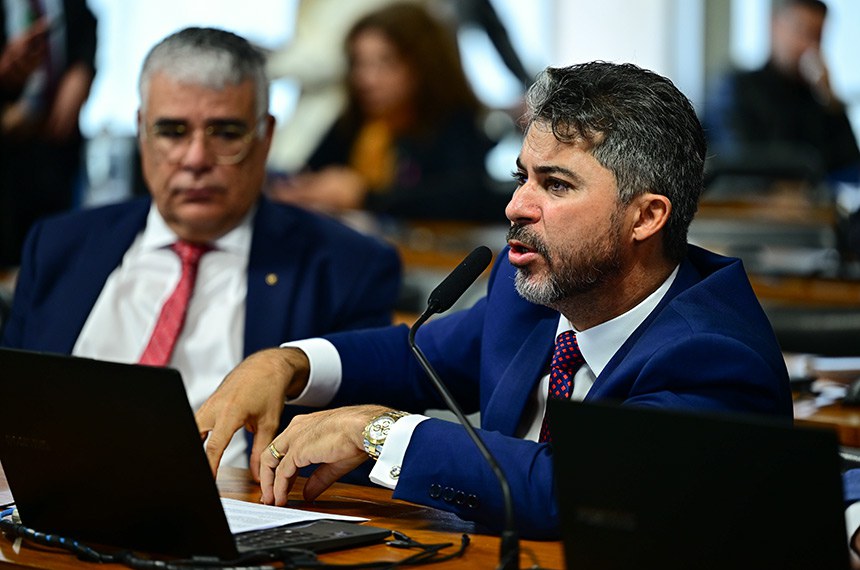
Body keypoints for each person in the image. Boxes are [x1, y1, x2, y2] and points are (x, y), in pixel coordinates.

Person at [195, 61, 793, 538]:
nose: (515, 208)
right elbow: (417, 356)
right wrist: (287, 363)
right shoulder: (534, 293)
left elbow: (575, 492)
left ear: (646, 217)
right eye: (521, 178)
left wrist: (380, 432)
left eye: (555, 185)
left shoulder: (715, 354)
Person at [0, 27, 402, 468]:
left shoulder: (344, 268)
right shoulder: (60, 246)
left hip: (234, 510)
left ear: (265, 137)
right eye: (172, 131)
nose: (195, 159)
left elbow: (354, 460)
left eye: (225, 133)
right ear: (141, 132)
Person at [267, 2, 504, 223]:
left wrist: (365, 198)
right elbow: (312, 173)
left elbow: (466, 198)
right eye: (360, 63)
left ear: (422, 65)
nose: (367, 79)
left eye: (385, 63)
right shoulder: (357, 122)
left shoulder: (455, 124)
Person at [704, 0, 860, 183]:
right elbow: (738, 162)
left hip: (813, 209)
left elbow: (851, 169)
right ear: (774, 26)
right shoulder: (737, 89)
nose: (809, 46)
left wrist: (831, 101)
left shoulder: (819, 100)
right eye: (801, 32)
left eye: (817, 37)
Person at [0, 0, 98, 270]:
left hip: (57, 152)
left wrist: (82, 70)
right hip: (7, 159)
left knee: (57, 261)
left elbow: (87, 26)